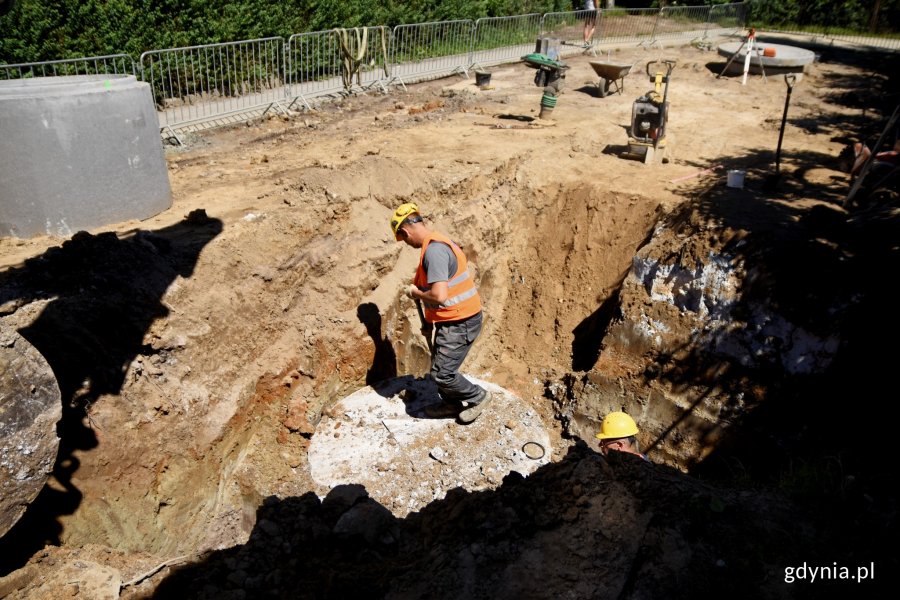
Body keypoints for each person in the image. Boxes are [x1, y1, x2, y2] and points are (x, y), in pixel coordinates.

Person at [390, 202, 491, 424]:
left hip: (460, 321)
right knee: (439, 364)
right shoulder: (437, 242)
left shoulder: (434, 251)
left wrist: (417, 293)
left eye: (404, 239)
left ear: (405, 231)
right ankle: (450, 404)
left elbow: (440, 296)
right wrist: (430, 321)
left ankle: (478, 397)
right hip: (453, 318)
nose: (407, 244)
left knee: (442, 373)